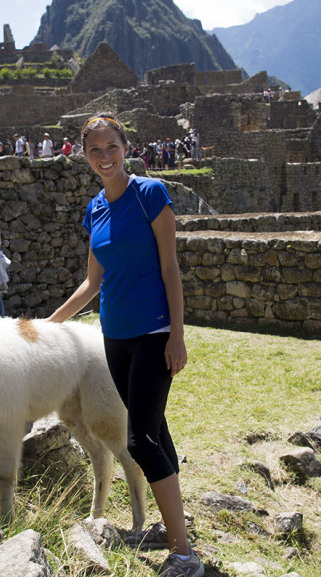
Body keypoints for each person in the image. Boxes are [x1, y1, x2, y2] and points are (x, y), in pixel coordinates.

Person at [47, 114, 203, 577]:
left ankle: (183, 555)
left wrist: (177, 333)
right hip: (114, 338)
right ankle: (177, 527)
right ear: (85, 155)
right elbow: (93, 283)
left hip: (154, 333)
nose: (104, 156)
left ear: (125, 146)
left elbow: (170, 268)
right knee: (157, 430)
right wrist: (49, 322)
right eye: (94, 149)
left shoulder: (150, 194)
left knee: (140, 439)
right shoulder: (95, 208)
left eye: (111, 146)